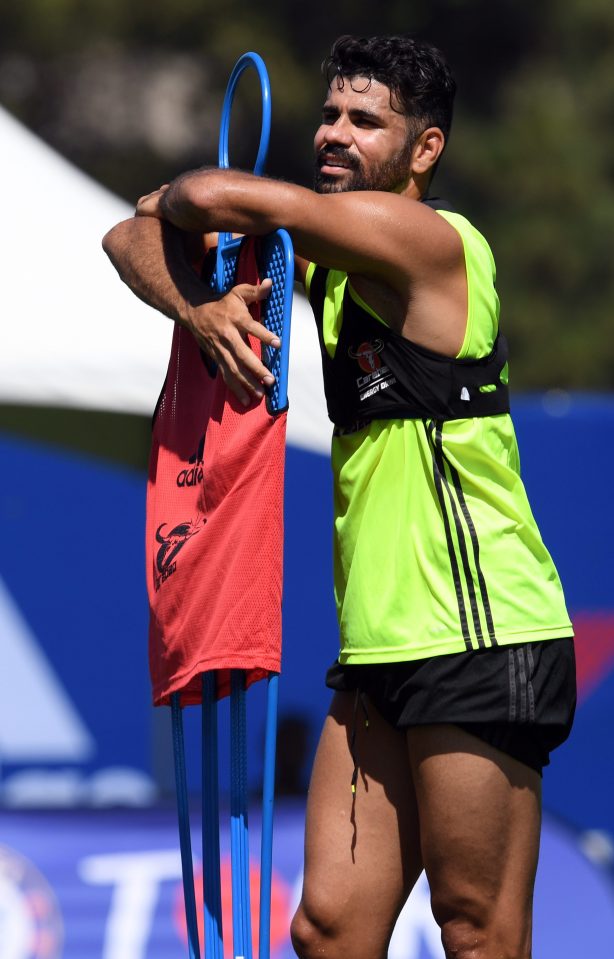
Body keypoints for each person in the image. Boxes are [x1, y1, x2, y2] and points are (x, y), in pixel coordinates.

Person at [103, 35, 576, 959]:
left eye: (367, 122)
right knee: (328, 930)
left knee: (476, 931)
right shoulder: (323, 259)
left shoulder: (428, 240)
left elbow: (197, 197)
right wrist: (200, 308)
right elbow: (131, 233)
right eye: (329, 115)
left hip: (482, 634)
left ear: (426, 150)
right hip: (378, 644)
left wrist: (207, 239)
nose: (335, 135)